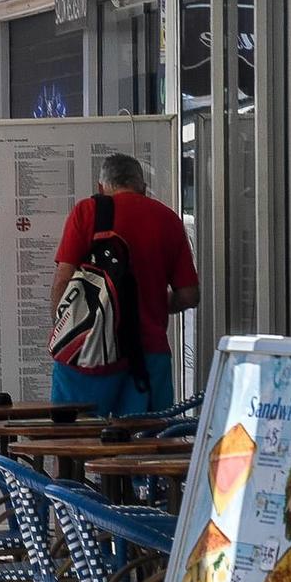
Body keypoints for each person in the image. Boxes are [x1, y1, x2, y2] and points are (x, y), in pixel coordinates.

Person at [47, 153, 199, 415]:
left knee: (74, 444)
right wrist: (152, 303)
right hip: (150, 358)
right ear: (143, 188)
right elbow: (188, 295)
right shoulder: (168, 219)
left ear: (101, 188)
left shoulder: (87, 212)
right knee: (147, 449)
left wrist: (65, 332)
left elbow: (63, 281)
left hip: (89, 354)